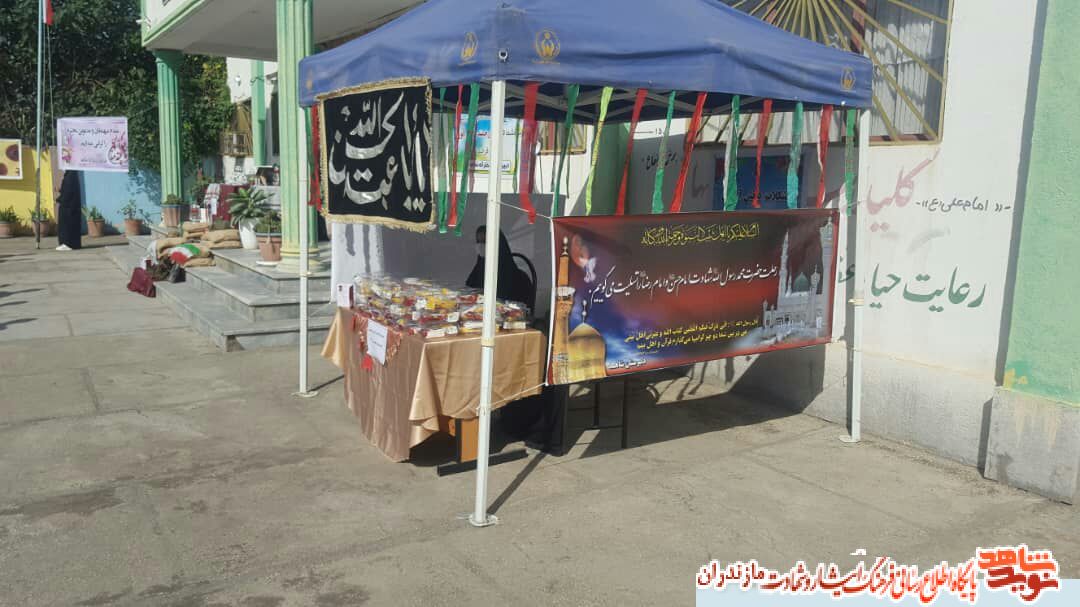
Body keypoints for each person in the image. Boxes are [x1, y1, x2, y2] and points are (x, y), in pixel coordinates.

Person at [465, 225, 534, 308]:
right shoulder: (478, 272)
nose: (480, 245)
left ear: (498, 244)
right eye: (478, 241)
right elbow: (467, 294)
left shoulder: (519, 280)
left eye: (485, 241)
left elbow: (520, 309)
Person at [55, 170, 82, 251]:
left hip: (68, 206)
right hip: (71, 205)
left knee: (66, 225)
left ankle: (67, 244)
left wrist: (59, 199)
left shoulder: (70, 174)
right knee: (72, 225)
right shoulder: (71, 173)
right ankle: (73, 244)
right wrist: (61, 190)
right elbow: (68, 188)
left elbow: (68, 191)